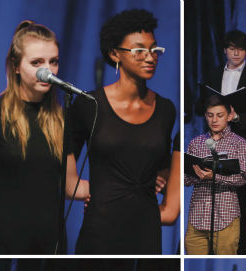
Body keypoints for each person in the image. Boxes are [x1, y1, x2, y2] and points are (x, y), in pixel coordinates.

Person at [67, 9, 176, 254]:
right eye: (139, 50)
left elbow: (164, 163)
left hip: (146, 234)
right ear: (115, 53)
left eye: (154, 49)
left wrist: (160, 179)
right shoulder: (89, 104)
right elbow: (64, 174)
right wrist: (100, 189)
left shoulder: (166, 109)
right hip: (100, 231)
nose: (150, 57)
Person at [0, 21, 88, 254]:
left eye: (53, 62)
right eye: (37, 62)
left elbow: (71, 186)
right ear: (16, 66)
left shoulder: (62, 119)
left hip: (51, 244)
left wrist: (129, 188)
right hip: (4, 243)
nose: (47, 71)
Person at [198, 29, 246, 254]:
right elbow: (200, 106)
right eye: (231, 48)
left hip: (242, 145)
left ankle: (242, 251)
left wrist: (238, 117)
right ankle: (210, 249)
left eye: (240, 48)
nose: (236, 52)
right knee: (209, 199)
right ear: (225, 50)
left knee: (241, 203)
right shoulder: (211, 74)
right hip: (213, 144)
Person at [184, 95, 246, 254]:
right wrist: (197, 175)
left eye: (220, 115)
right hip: (198, 217)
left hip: (225, 218)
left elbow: (242, 179)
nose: (214, 120)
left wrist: (215, 177)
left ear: (229, 116)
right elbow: (184, 178)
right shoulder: (196, 142)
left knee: (224, 264)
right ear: (205, 116)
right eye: (210, 115)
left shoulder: (239, 143)